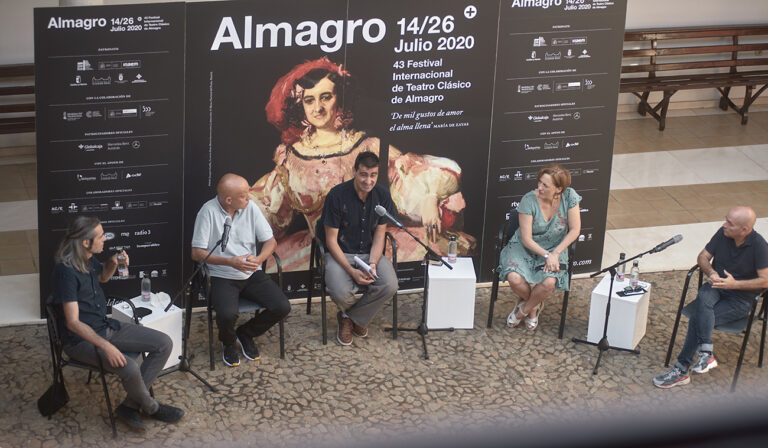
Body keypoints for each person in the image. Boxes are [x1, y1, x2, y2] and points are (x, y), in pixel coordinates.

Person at [250, 57, 476, 271]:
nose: (317, 107)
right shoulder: (291, 158)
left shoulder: (367, 146)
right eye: (309, 100)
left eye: (325, 97)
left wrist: (429, 197)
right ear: (301, 105)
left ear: (339, 99)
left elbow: (408, 176)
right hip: (318, 248)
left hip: (368, 243)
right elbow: (268, 207)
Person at [51, 216, 183, 431]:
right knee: (129, 367)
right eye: (101, 236)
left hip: (104, 326)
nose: (105, 238)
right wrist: (107, 346)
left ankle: (129, 406)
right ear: (86, 242)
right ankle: (152, 408)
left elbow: (102, 278)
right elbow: (73, 323)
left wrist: (112, 263)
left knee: (164, 343)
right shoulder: (66, 271)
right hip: (79, 340)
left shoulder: (87, 257)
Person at [653, 206, 768, 388]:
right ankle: (706, 353)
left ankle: (681, 370)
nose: (724, 224)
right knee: (704, 295)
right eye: (726, 219)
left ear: (744, 230)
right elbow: (702, 257)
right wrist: (712, 273)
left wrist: (734, 284)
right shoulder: (723, 233)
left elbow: (765, 281)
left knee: (697, 318)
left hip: (739, 300)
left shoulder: (759, 246)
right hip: (715, 287)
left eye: (730, 223)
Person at [192, 173, 291, 367]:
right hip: (221, 274)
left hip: (251, 272)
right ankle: (228, 342)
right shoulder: (207, 212)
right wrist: (229, 262)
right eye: (244, 195)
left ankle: (245, 333)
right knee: (227, 315)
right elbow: (196, 253)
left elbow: (270, 242)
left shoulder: (250, 208)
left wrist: (259, 259)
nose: (249, 198)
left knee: (282, 307)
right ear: (229, 200)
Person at [319, 151, 399, 345]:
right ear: (354, 171)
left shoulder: (382, 195)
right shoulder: (337, 195)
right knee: (340, 292)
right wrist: (351, 271)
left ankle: (350, 318)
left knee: (390, 285)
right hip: (340, 253)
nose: (368, 181)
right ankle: (357, 317)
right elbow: (331, 241)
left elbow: (380, 234)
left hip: (369, 253)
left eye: (373, 175)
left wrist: (372, 263)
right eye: (363, 174)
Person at [498, 163, 581, 330]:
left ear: (559, 189)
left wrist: (555, 253)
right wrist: (547, 256)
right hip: (525, 247)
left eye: (545, 185)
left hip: (555, 247)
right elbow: (526, 239)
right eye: (540, 182)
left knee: (549, 282)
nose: (539, 187)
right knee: (514, 278)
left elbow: (575, 230)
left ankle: (522, 310)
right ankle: (534, 306)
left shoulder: (569, 196)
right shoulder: (528, 200)